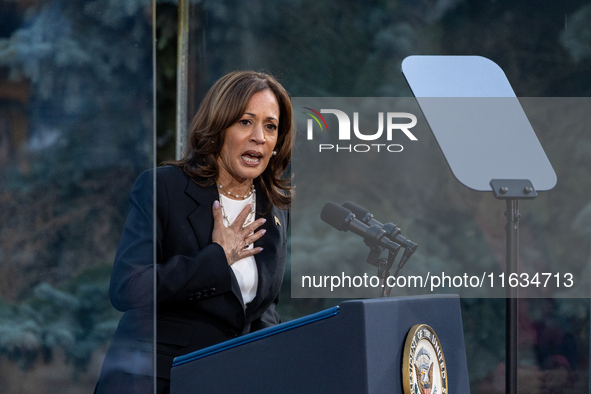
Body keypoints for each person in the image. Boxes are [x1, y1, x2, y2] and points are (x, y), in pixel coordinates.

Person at [95, 71, 293, 394]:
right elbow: (127, 287)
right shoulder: (164, 188)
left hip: (229, 380)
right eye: (245, 122)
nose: (259, 136)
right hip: (157, 380)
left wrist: (278, 360)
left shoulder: (274, 208)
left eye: (270, 126)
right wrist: (216, 259)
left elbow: (261, 307)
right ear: (219, 127)